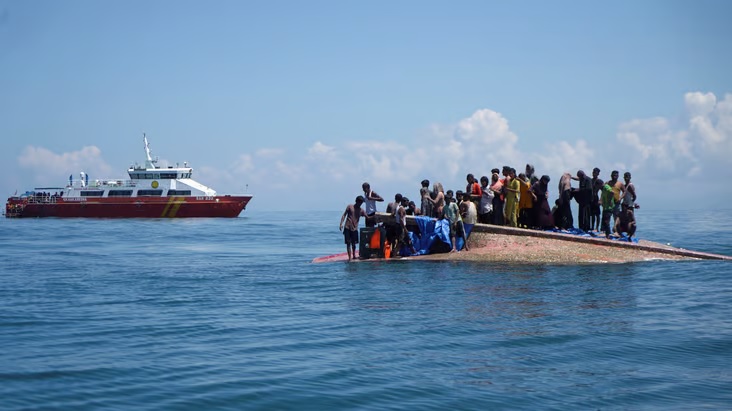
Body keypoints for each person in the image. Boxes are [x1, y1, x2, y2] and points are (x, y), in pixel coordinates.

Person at [339, 195, 367, 261]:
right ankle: (349, 257)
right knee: (348, 243)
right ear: (356, 201)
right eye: (359, 202)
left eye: (361, 203)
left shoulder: (361, 210)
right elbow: (344, 215)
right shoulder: (350, 207)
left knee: (354, 244)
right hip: (347, 227)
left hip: (355, 228)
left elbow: (367, 217)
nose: (360, 204)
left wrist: (375, 217)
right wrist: (341, 224)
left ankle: (354, 255)